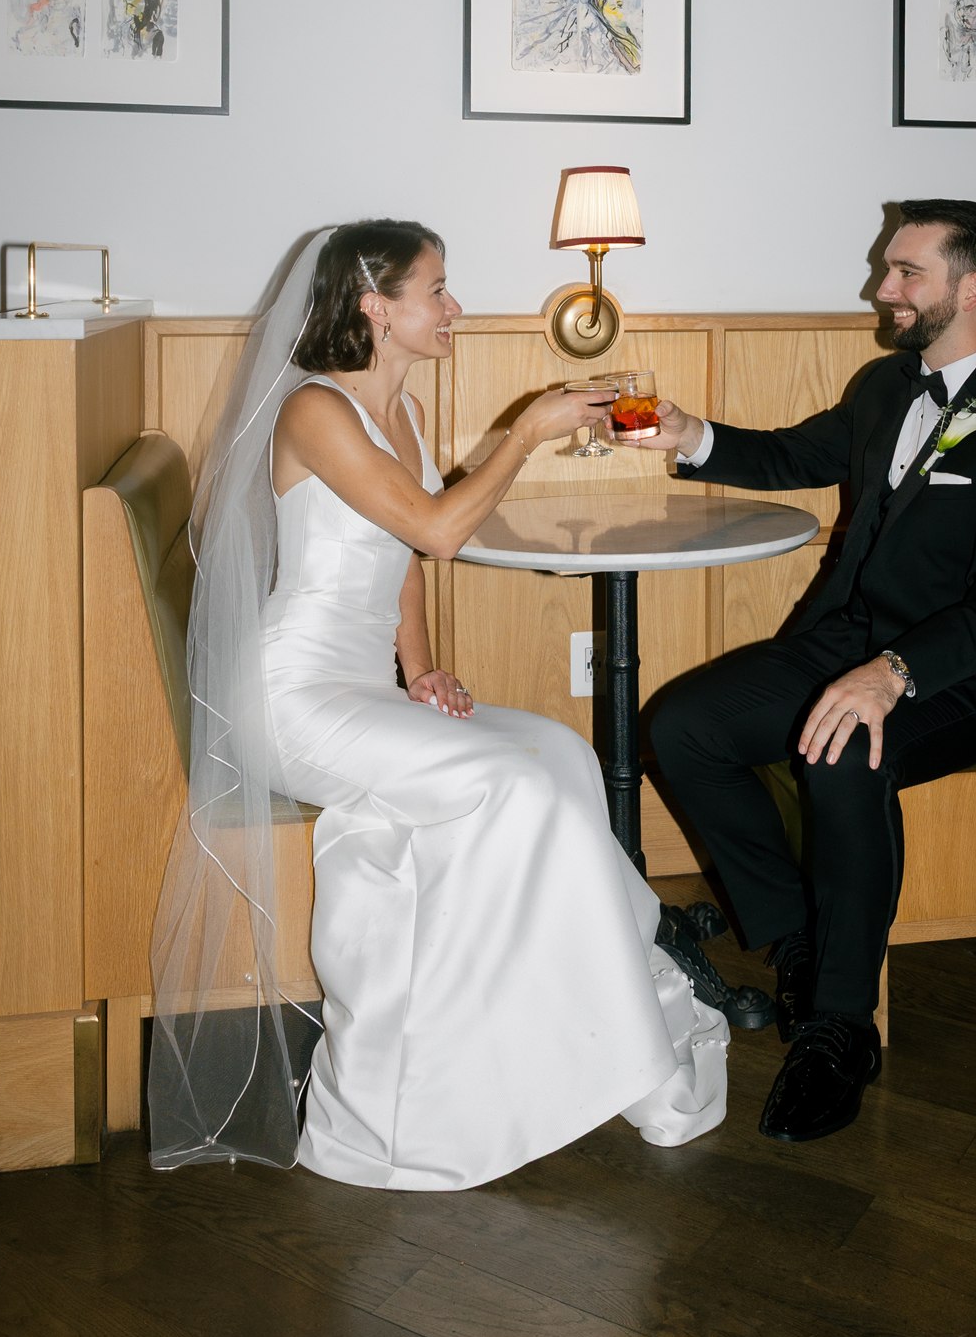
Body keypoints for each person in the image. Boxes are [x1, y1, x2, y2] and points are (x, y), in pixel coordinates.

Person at [148, 220, 727, 1187]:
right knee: (513, 785)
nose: (454, 307)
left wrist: (420, 670)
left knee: (561, 754)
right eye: (437, 289)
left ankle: (588, 1009)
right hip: (292, 698)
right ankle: (470, 1062)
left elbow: (404, 560)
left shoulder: (403, 410)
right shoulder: (314, 410)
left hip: (363, 686)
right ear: (375, 307)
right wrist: (526, 432)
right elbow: (437, 530)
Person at [646, 200, 976, 1146]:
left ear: (971, 288)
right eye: (889, 269)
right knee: (683, 725)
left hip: (974, 671)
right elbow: (792, 454)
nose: (881, 288)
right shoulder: (887, 385)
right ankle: (796, 936)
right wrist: (688, 434)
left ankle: (841, 1027)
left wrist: (893, 673)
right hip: (849, 640)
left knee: (847, 750)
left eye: (904, 272)